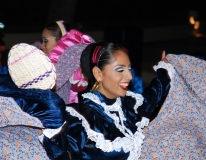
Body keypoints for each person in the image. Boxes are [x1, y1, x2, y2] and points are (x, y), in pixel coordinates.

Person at [42, 41, 171, 160]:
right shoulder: (80, 119)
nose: (129, 76)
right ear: (98, 74)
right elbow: (58, 151)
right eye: (120, 70)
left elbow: (153, 96)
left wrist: (164, 70)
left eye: (129, 68)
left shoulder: (130, 105)